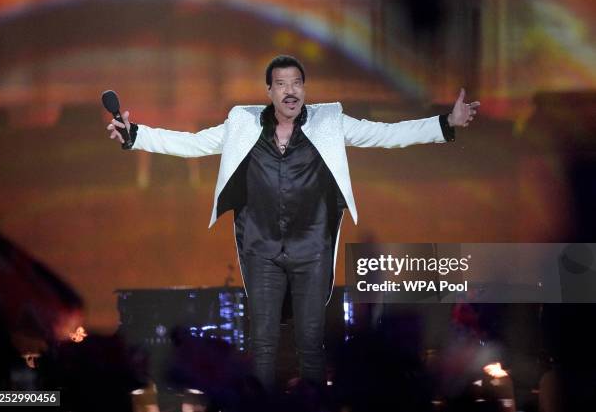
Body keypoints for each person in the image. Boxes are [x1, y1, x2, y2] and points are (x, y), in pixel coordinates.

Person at [106, 55, 480, 392]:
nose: (290, 91)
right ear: (269, 91)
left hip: (312, 248)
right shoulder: (242, 122)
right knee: (263, 343)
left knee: (311, 343)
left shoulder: (329, 121)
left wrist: (446, 123)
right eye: (281, 84)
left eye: (297, 83)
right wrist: (135, 135)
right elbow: (193, 143)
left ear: (304, 89)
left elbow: (384, 134)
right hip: (260, 248)